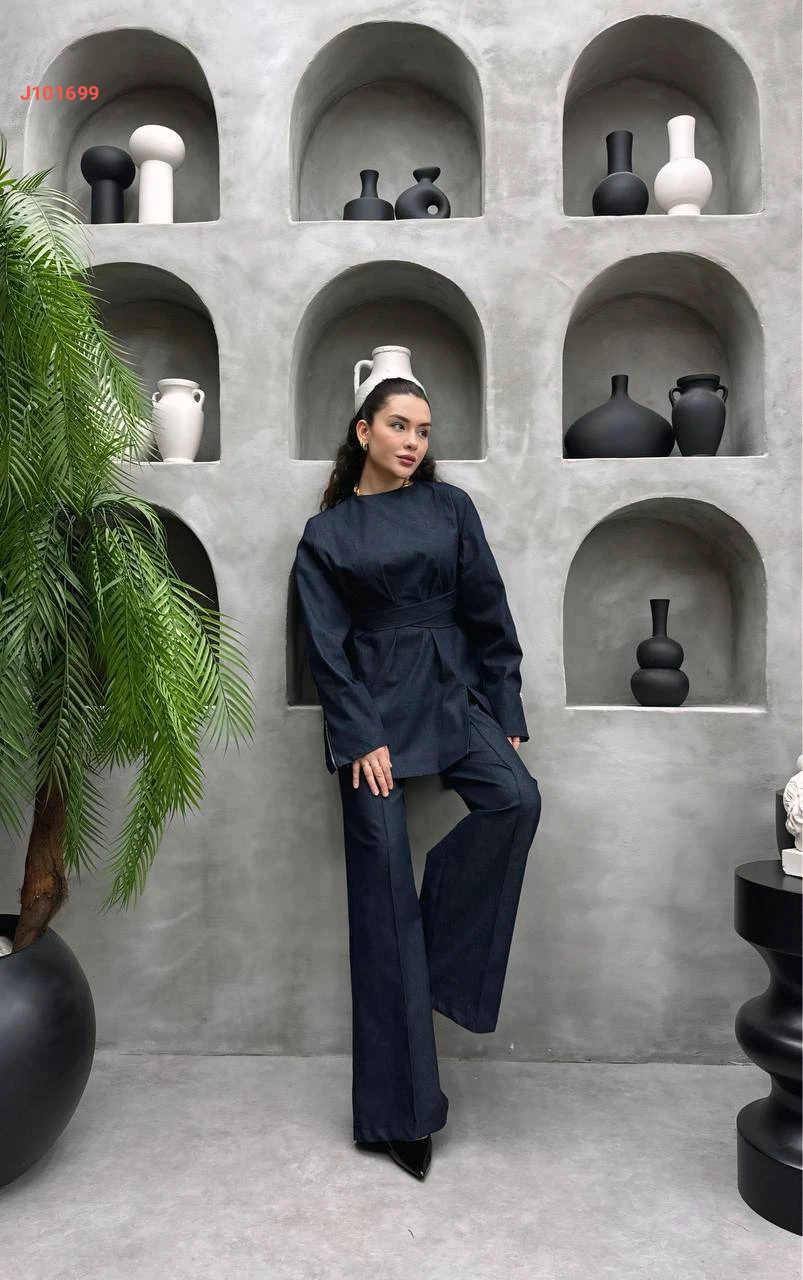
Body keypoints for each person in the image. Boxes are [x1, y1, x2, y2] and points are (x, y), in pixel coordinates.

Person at [292, 376, 542, 1180]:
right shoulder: (326, 535)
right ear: (363, 431)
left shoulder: (450, 509)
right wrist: (358, 734)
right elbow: (324, 647)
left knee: (516, 798)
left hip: (451, 693)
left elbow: (488, 610)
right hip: (371, 716)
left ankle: (429, 957)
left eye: (424, 430)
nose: (412, 442)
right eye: (399, 426)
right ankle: (397, 1117)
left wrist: (502, 704)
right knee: (381, 900)